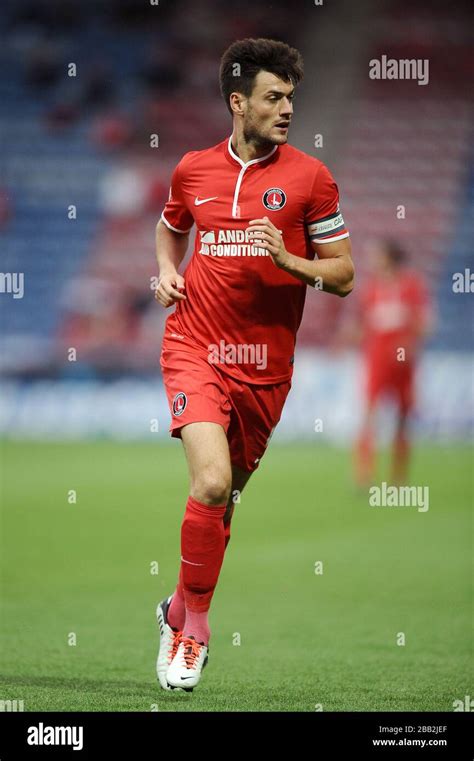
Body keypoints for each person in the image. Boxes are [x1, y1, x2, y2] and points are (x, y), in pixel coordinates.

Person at [154, 37, 354, 691]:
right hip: (194, 346)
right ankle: (194, 632)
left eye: (291, 96)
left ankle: (177, 606)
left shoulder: (311, 179)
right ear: (239, 103)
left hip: (267, 369)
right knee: (211, 481)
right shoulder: (192, 169)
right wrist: (165, 270)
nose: (287, 107)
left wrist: (291, 262)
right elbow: (170, 224)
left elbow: (345, 276)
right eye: (274, 96)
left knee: (226, 500)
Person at [354, 239, 433, 487]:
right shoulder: (372, 289)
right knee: (369, 414)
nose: (373, 260)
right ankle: (364, 474)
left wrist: (410, 344)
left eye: (378, 255)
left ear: (390, 258)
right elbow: (362, 324)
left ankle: (398, 476)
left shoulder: (412, 286)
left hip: (402, 362)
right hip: (377, 359)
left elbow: (425, 322)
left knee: (403, 416)